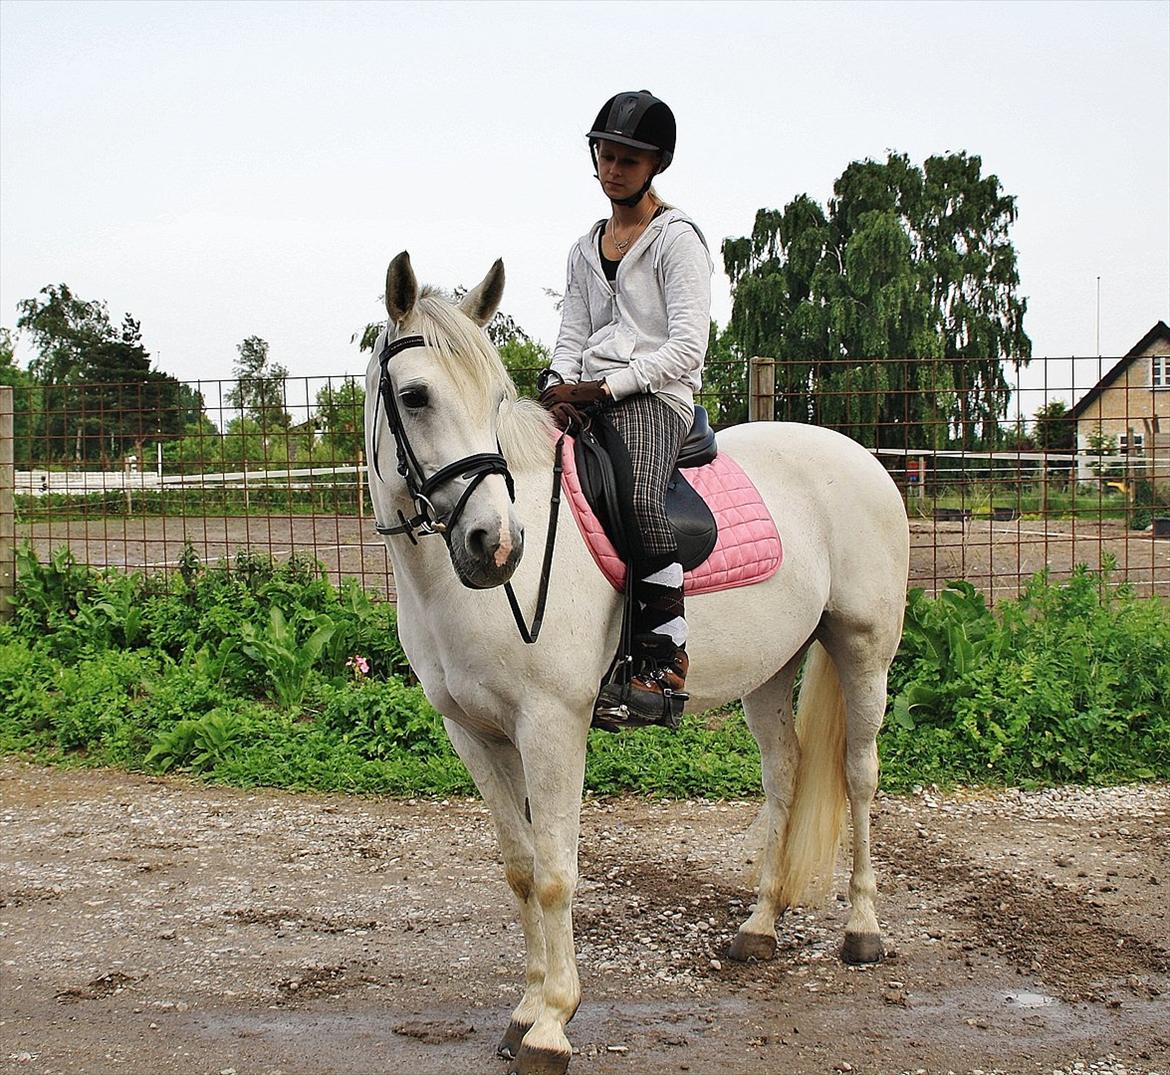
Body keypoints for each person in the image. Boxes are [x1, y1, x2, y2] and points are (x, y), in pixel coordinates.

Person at [539, 89, 712, 727]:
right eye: (606, 157)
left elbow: (688, 348)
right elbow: (572, 334)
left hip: (656, 397)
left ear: (656, 165)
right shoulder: (584, 249)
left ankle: (664, 661)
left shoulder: (677, 240)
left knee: (639, 494)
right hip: (588, 394)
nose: (613, 170)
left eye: (628, 161)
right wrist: (558, 384)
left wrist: (608, 388)